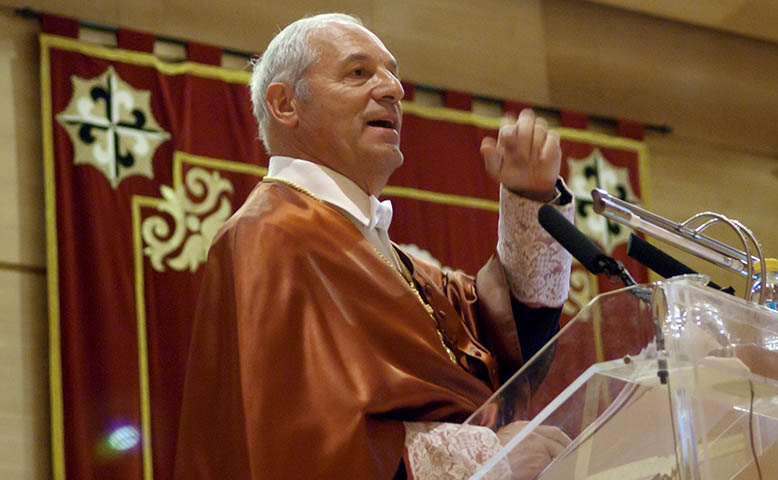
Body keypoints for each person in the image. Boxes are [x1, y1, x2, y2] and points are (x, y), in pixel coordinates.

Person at [174, 13, 575, 480]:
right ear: (285, 104)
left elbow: (504, 340)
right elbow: (293, 444)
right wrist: (487, 459)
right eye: (359, 72)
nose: (393, 89)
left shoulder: (392, 256)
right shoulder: (269, 234)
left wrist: (529, 200)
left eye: (393, 73)